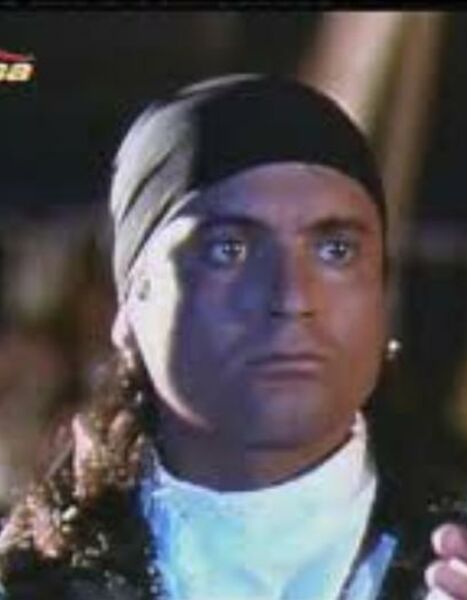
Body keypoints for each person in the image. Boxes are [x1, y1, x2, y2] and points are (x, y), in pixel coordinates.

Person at [0, 73, 432, 599]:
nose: (291, 296)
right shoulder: (33, 581)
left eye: (335, 251)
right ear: (130, 305)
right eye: (229, 250)